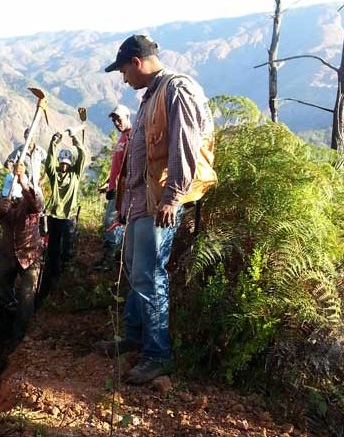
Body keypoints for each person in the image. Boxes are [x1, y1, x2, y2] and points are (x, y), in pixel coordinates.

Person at [100, 34, 216, 383]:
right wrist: (125, 205)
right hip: (141, 203)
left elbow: (186, 146)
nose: (123, 79)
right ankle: (135, 336)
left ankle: (157, 355)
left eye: (123, 71)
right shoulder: (152, 94)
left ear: (136, 62)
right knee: (136, 269)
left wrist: (172, 196)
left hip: (158, 203)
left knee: (149, 276)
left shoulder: (176, 90)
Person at [0, 162, 44, 341]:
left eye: (16, 198)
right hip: (7, 253)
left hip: (30, 255)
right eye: (10, 198)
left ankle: (19, 338)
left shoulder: (30, 198)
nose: (13, 201)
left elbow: (36, 205)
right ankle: (3, 328)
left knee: (27, 299)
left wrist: (22, 182)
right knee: (0, 290)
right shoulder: (1, 199)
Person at [40, 130, 86, 305]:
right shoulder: (54, 175)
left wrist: (75, 139)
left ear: (70, 163)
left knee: (67, 250)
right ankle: (50, 279)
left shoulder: (75, 174)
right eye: (62, 162)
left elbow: (83, 155)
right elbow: (49, 162)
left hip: (68, 217)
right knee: (52, 250)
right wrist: (54, 143)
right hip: (54, 216)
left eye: (67, 163)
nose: (64, 166)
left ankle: (64, 280)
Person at [93, 104, 132, 271]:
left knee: (111, 222)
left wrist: (118, 188)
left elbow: (129, 167)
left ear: (127, 117)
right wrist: (108, 185)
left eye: (119, 119)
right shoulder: (123, 136)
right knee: (113, 222)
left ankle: (111, 260)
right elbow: (117, 165)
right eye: (114, 120)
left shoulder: (132, 136)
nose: (116, 123)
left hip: (122, 190)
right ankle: (115, 258)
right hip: (114, 188)